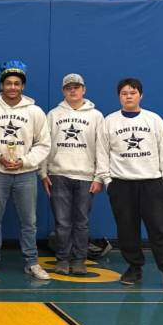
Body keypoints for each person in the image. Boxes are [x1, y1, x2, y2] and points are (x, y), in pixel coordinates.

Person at [96, 78, 163, 294]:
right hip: (122, 184)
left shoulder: (154, 120)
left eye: (132, 92)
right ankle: (134, 267)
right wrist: (108, 180)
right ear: (119, 96)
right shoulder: (109, 122)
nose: (128, 96)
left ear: (140, 96)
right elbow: (102, 153)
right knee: (127, 229)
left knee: (161, 230)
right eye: (124, 93)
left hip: (153, 184)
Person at [0, 60, 51, 280]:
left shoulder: (35, 112)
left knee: (29, 221)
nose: (13, 87)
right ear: (2, 85)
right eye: (8, 83)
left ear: (23, 86)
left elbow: (44, 144)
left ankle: (32, 262)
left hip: (25, 174)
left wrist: (24, 161)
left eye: (17, 83)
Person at [40, 73, 104, 277]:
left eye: (77, 87)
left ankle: (79, 260)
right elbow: (44, 145)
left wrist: (99, 177)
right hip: (58, 174)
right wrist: (43, 173)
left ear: (83, 90)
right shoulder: (53, 115)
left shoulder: (96, 116)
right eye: (69, 88)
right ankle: (62, 259)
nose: (73, 90)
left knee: (81, 222)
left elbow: (102, 148)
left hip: (86, 177)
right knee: (62, 221)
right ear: (63, 91)